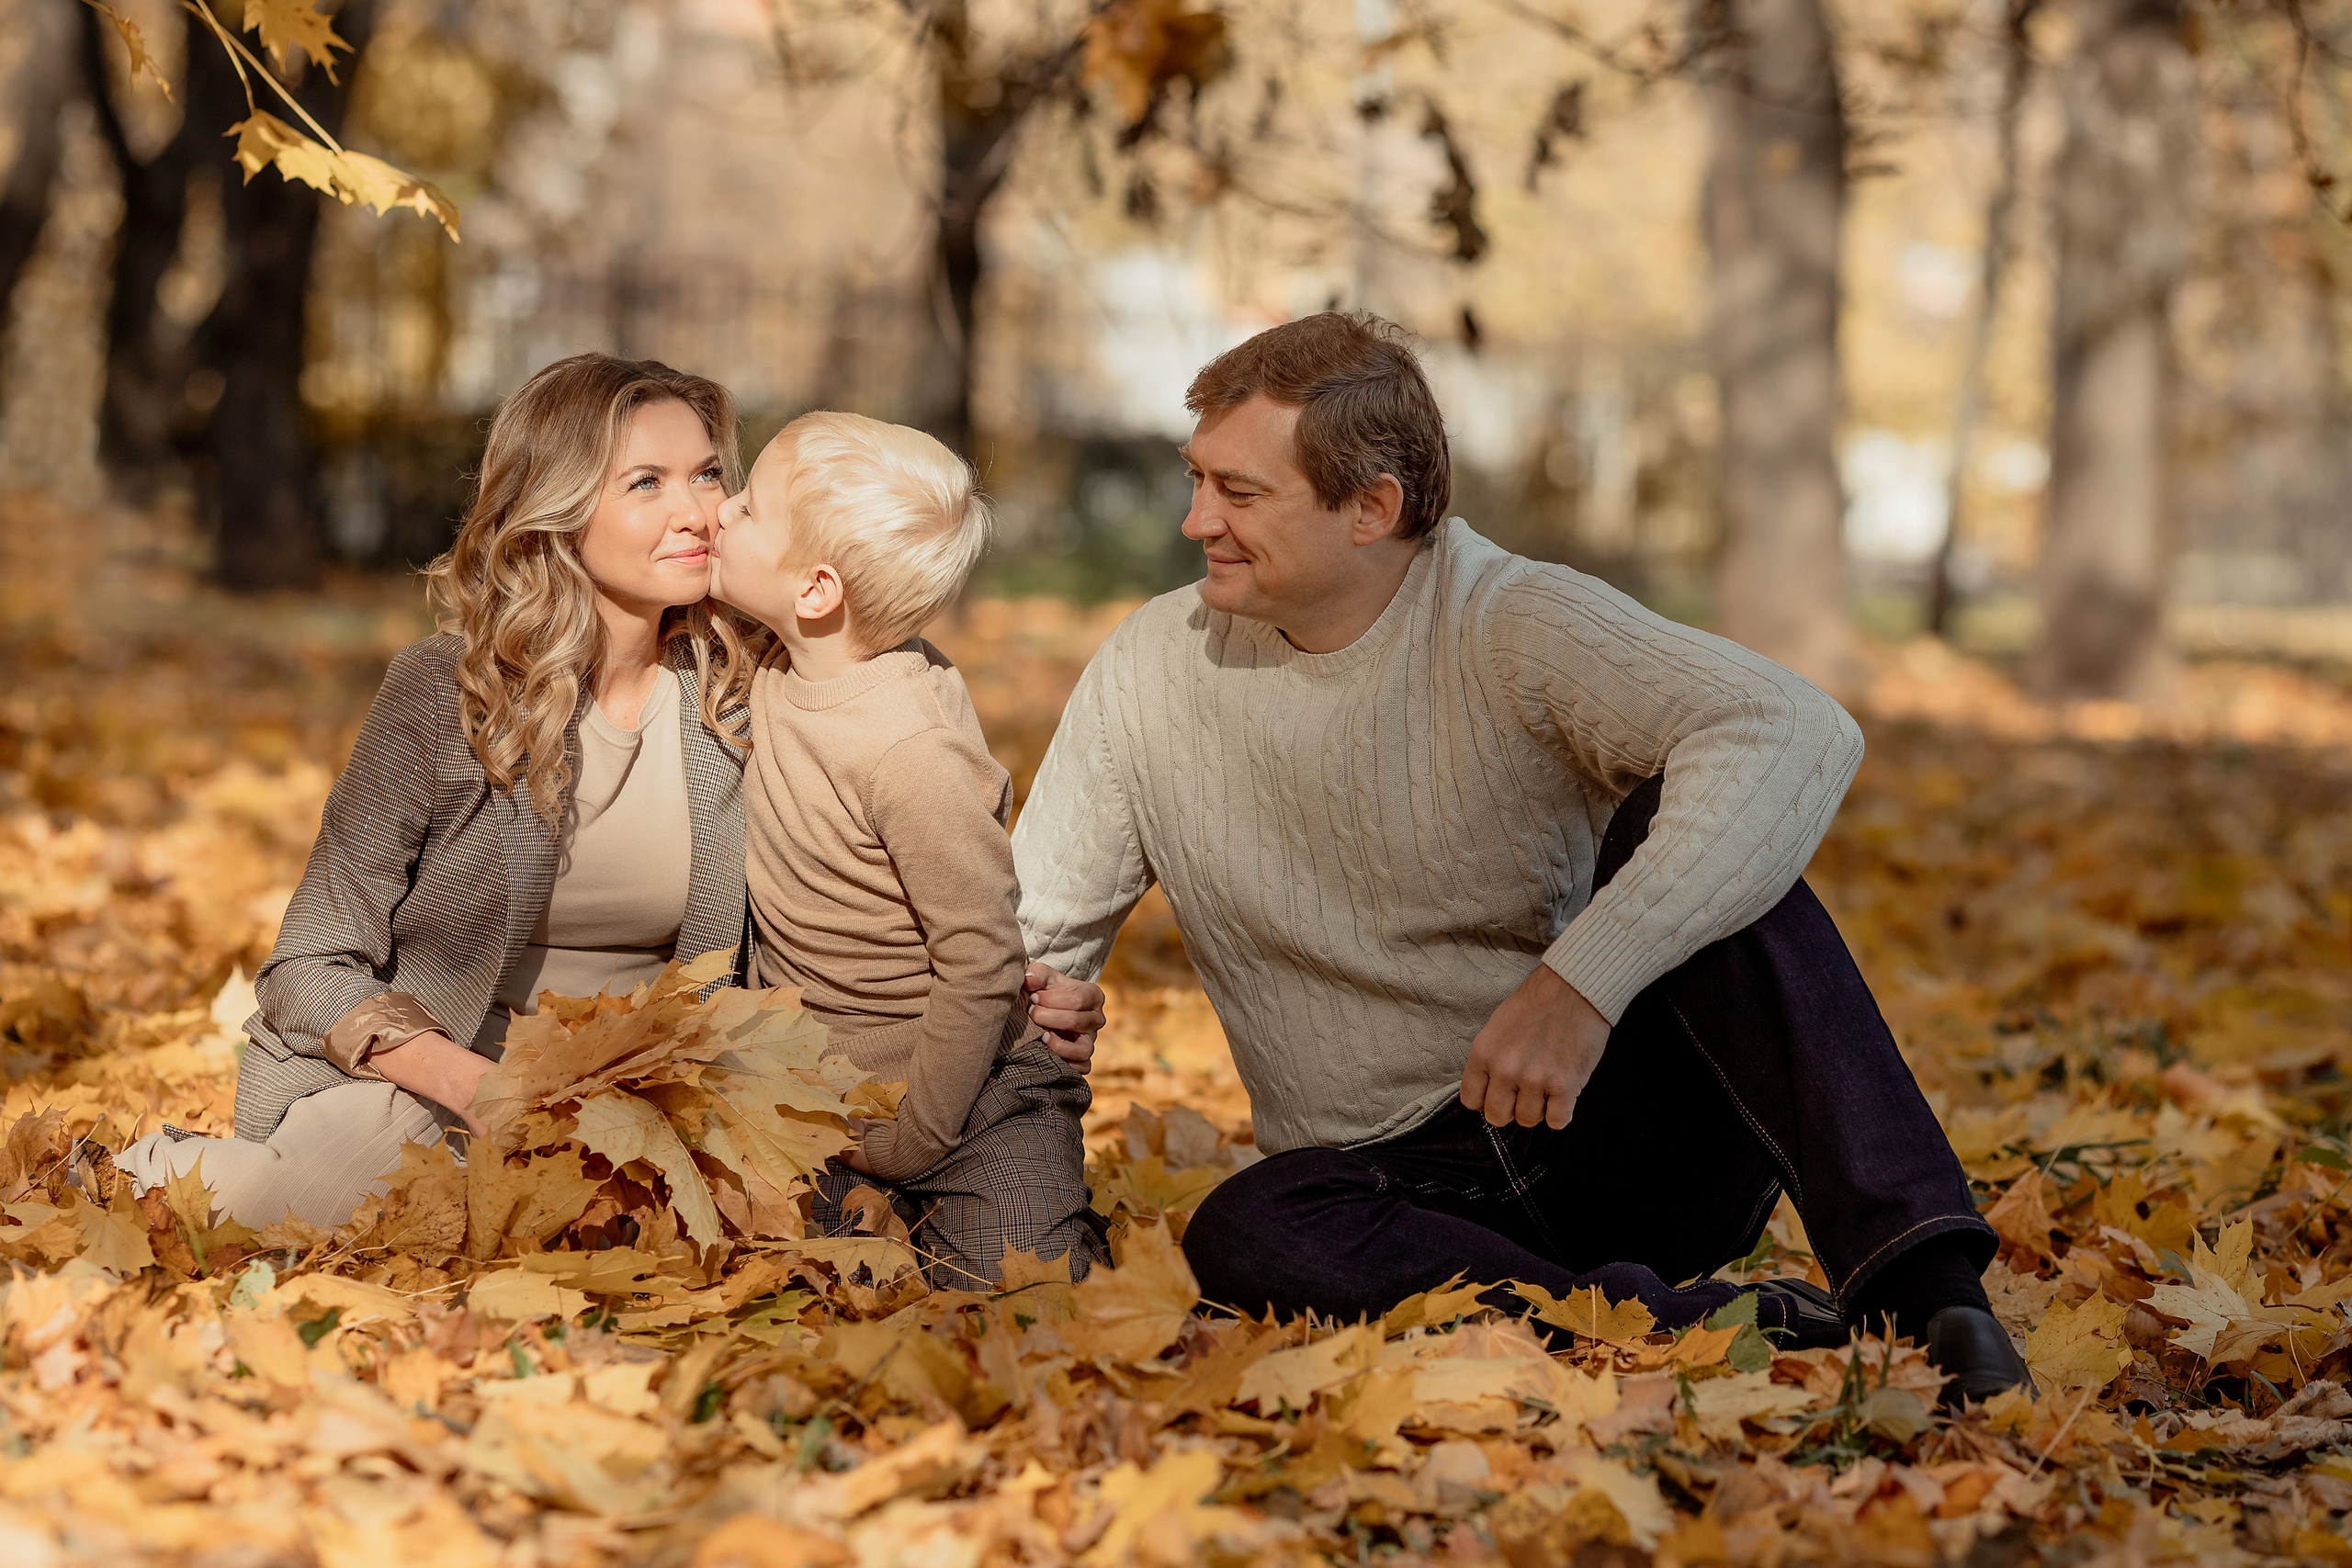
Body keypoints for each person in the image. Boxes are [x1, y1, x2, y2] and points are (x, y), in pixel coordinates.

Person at [1012, 312, 2030, 1402]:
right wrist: (1037, 1007)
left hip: (1603, 1125)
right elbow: (1033, 933)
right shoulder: (1148, 671)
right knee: (1247, 1232)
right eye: (1196, 479)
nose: (1194, 519)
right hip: (1387, 1187)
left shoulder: (1511, 622)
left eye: (1239, 492)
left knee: (1717, 859)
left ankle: (1928, 1296)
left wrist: (1579, 985)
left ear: (1371, 508)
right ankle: (1698, 1325)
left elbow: (1794, 729)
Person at [117, 354, 1108, 1230]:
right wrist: (483, 1089)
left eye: (711, 474)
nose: (705, 511)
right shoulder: (442, 695)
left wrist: (1012, 998)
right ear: (557, 511)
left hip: (655, 1102)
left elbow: (895, 788)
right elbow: (309, 966)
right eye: (647, 482)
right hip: (447, 1076)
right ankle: (141, 1174)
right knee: (316, 1209)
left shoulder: (748, 685)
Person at [709, 412, 1110, 1285]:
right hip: (811, 1095)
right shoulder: (777, 662)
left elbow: (978, 955)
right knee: (792, 1272)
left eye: (747, 507)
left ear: (816, 590)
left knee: (1019, 1286)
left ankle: (1048, 1224)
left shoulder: (909, 745)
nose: (720, 507)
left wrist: (915, 1137)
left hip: (971, 1093)